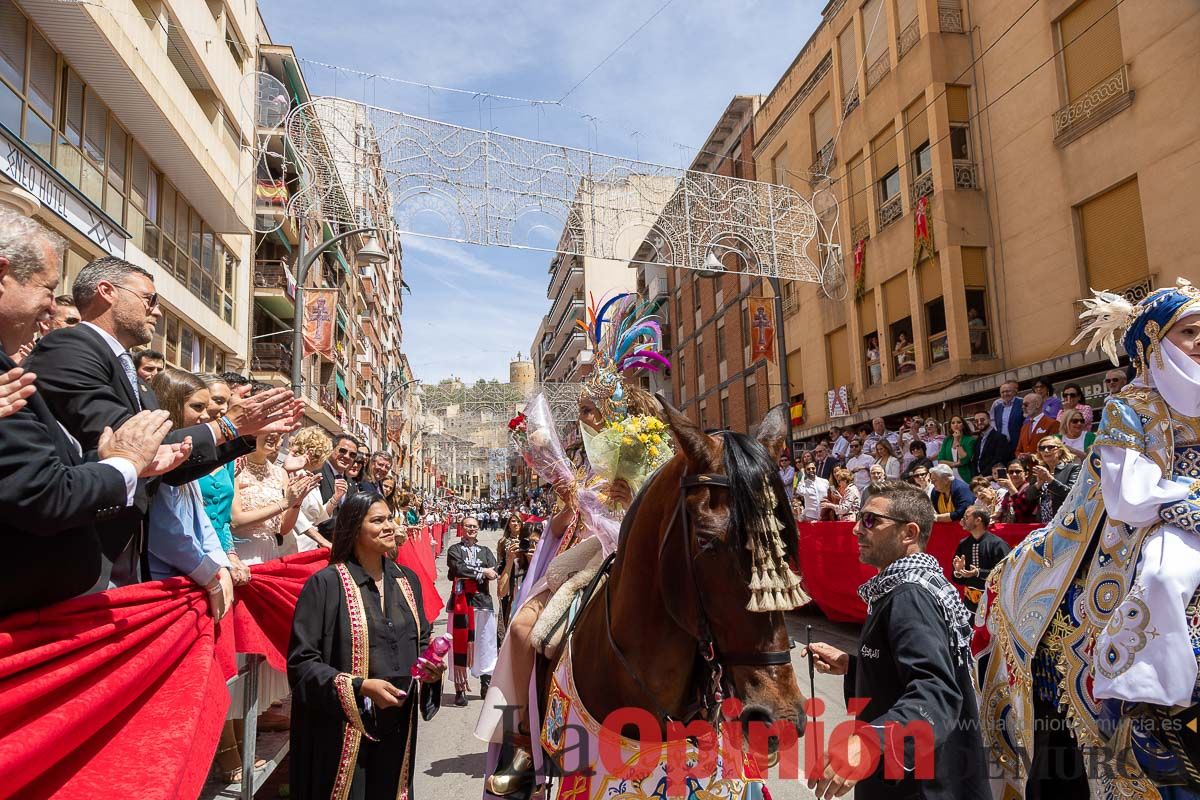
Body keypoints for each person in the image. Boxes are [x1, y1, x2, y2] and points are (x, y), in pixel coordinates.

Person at [979, 279, 1200, 799]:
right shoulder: (1132, 405)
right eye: (1190, 332)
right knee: (1165, 579)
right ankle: (1145, 697)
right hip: (1159, 520)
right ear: (1155, 342)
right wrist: (1183, 501)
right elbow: (1127, 493)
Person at [25, 256, 302, 590]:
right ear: (107, 291)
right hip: (79, 557)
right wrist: (227, 427)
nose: (155, 311)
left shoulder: (133, 378)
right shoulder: (70, 347)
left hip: (126, 559)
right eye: (149, 299)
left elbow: (171, 466)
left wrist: (245, 433)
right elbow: (131, 445)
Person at [0, 210, 184, 615]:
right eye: (48, 290)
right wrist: (123, 463)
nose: (51, 310)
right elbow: (42, 491)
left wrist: (108, 461)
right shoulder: (68, 350)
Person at [804, 482, 989, 800]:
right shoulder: (909, 586)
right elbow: (916, 669)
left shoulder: (910, 595)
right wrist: (854, 667)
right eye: (859, 518)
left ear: (909, 533)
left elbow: (937, 692)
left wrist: (871, 742)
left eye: (870, 520)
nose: (856, 530)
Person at [287, 491, 445, 800]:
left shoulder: (407, 580)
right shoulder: (325, 585)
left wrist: (432, 669)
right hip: (343, 729)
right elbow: (302, 663)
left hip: (398, 724)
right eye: (378, 521)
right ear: (354, 528)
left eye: (389, 519)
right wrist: (360, 686)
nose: (390, 526)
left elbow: (422, 640)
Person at [145, 368, 234, 614]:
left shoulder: (186, 455)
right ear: (172, 404)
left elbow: (201, 519)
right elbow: (167, 532)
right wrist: (209, 574)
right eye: (197, 407)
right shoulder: (157, 458)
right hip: (164, 582)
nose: (206, 416)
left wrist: (220, 565)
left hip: (194, 578)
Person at [446, 516, 498, 706]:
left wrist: (482, 571)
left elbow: (494, 569)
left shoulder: (485, 551)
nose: (471, 529)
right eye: (468, 526)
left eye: (474, 526)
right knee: (457, 645)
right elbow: (457, 568)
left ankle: (486, 683)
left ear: (478, 529)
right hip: (460, 603)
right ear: (462, 528)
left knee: (486, 644)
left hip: (481, 601)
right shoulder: (454, 550)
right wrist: (482, 572)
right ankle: (460, 688)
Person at [951, 505, 1011, 615]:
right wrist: (959, 572)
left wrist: (978, 572)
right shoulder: (963, 544)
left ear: (978, 520)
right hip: (969, 607)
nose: (962, 520)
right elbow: (958, 580)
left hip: (993, 609)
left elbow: (1006, 573)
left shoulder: (998, 544)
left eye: (966, 517)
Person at [287, 426, 337, 551]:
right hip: (295, 545)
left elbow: (320, 517)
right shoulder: (293, 474)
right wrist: (322, 541)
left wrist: (335, 498)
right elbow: (296, 515)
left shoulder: (310, 476)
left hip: (310, 546)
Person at [496, 519, 536, 639]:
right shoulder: (514, 561)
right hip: (515, 610)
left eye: (536, 543)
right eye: (527, 543)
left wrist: (534, 561)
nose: (531, 546)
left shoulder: (546, 563)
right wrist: (509, 561)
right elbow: (501, 592)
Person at [1027, 435, 1080, 523]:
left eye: (1050, 447)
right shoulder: (1039, 471)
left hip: (1064, 521)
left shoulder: (1073, 469)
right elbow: (1029, 498)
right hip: (1043, 522)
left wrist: (1049, 479)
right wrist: (1038, 485)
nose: (1046, 451)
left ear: (1059, 451)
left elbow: (1071, 494)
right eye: (1042, 448)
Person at [317, 433, 360, 538]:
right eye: (342, 451)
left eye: (352, 455)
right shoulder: (317, 472)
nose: (346, 456)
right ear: (332, 449)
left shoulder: (351, 484)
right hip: (316, 542)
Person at [1015, 392, 1059, 457]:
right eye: (1022, 405)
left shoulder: (1053, 423)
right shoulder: (1024, 427)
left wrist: (1033, 457)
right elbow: (1018, 450)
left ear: (1037, 404)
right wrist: (1020, 456)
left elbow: (1054, 449)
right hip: (1027, 466)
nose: (1023, 407)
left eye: (1026, 405)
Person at [990, 379, 1024, 459]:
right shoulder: (997, 408)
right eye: (1003, 392)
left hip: (1019, 443)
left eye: (1008, 391)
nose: (1005, 394)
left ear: (1014, 392)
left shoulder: (1022, 403)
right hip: (1003, 445)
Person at [936, 414, 976, 481]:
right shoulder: (947, 440)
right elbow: (940, 460)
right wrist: (955, 464)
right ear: (950, 426)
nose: (956, 424)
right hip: (949, 477)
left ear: (963, 425)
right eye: (953, 423)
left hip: (965, 476)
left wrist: (957, 441)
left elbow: (964, 460)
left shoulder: (970, 440)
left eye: (959, 422)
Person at [970, 410, 1006, 479]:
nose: (979, 422)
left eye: (982, 420)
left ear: (989, 420)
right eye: (976, 421)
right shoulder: (978, 440)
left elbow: (998, 459)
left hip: (992, 478)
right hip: (979, 478)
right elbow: (975, 460)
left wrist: (982, 475)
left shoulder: (1000, 437)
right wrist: (975, 476)